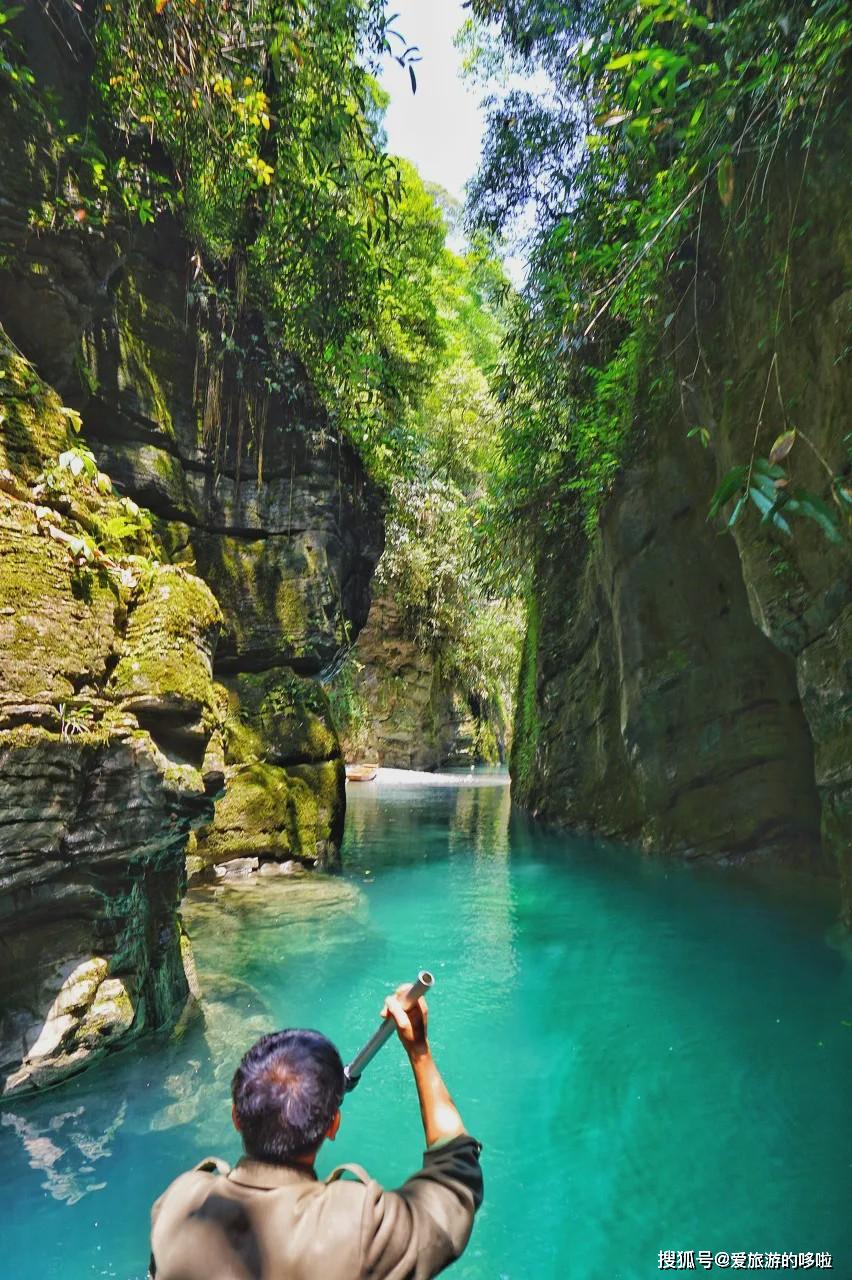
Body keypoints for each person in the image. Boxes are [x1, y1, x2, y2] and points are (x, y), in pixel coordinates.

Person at [148, 985, 483, 1279]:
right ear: (333, 1126)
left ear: (237, 1117)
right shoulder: (356, 1226)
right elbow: (456, 1181)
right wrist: (419, 1052)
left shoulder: (179, 1205)